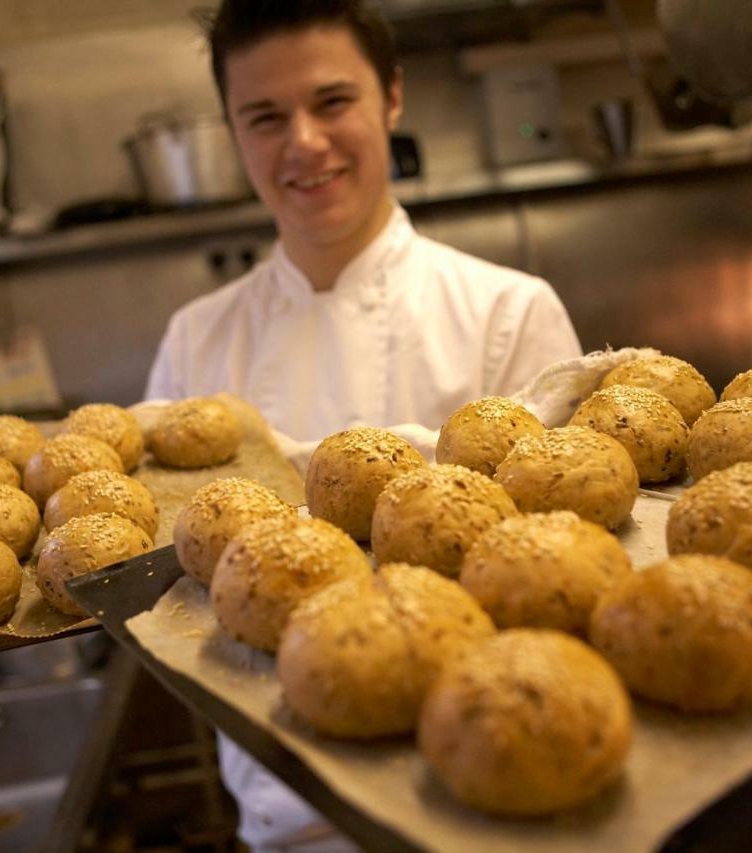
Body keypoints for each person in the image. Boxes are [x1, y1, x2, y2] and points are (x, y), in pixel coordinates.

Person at [145, 1, 582, 849]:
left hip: (495, 798)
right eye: (265, 117)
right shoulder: (196, 342)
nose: (303, 142)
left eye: (332, 102)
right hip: (278, 816)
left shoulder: (507, 313)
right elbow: (176, 595)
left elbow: (557, 587)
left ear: (391, 100)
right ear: (235, 134)